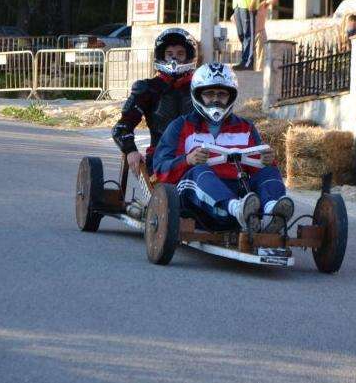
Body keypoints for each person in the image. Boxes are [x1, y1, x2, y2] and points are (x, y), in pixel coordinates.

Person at [153, 62, 294, 233]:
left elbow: (257, 167)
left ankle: (272, 213)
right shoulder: (180, 126)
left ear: (231, 96)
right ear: (197, 95)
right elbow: (160, 172)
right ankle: (236, 209)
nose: (215, 99)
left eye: (222, 94)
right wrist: (188, 160)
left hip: (239, 192)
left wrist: (265, 160)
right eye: (209, 94)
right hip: (192, 202)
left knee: (269, 170)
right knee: (200, 170)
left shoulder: (245, 128)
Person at [112, 28, 197, 176]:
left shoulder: (201, 89)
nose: (174, 59)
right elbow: (121, 127)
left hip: (197, 157)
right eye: (169, 54)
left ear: (189, 56)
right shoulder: (147, 88)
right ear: (161, 56)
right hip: (160, 158)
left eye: (180, 54)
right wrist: (131, 150)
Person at [221, 0, 262, 71]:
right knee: (241, 34)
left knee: (248, 34)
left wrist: (254, 1)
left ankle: (248, 62)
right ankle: (245, 60)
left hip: (248, 4)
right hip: (237, 4)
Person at [254, 0, 278, 72]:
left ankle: (260, 71)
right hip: (253, 33)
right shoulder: (252, 6)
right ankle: (255, 70)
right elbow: (233, 18)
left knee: (261, 55)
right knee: (254, 55)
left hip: (260, 32)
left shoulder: (263, 4)